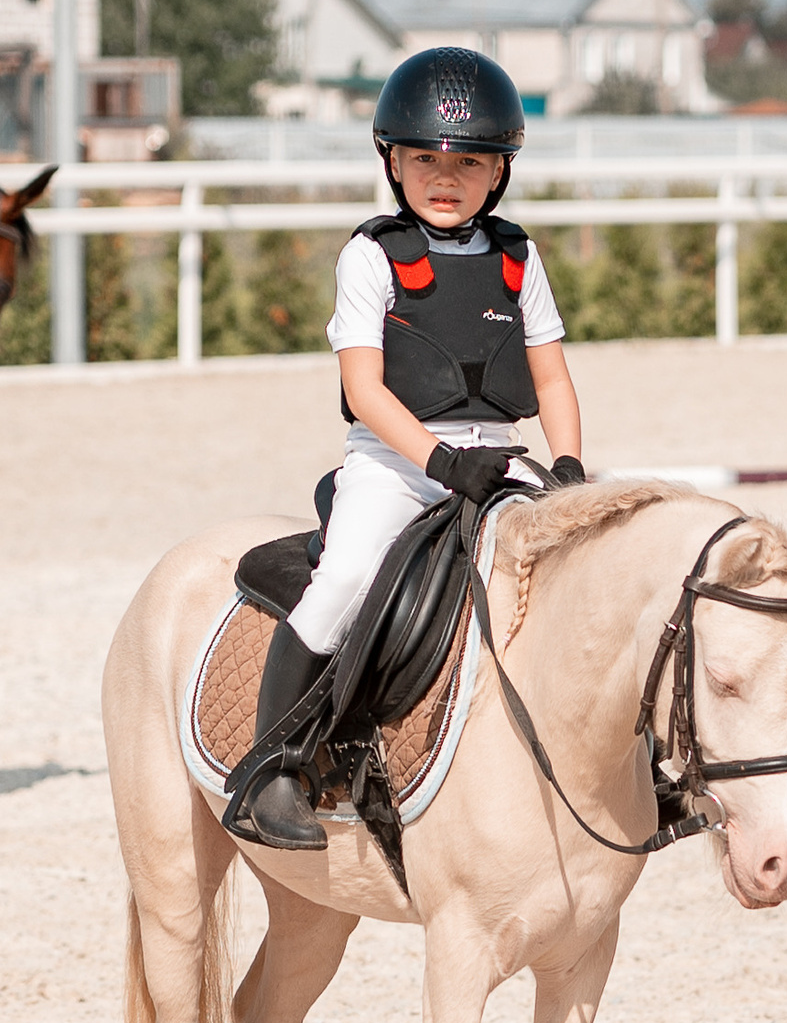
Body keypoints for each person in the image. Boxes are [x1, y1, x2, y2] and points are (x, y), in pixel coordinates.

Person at [231, 46, 585, 851]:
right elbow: (364, 389)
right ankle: (275, 764)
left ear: (500, 172)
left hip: (501, 458)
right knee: (349, 575)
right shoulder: (370, 256)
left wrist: (565, 467)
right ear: (392, 161)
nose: (445, 176)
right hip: (396, 463)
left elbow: (555, 381)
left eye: (468, 161)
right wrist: (437, 463)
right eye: (424, 157)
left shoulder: (520, 259)